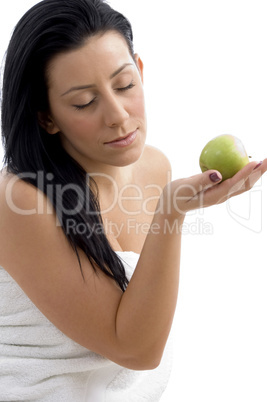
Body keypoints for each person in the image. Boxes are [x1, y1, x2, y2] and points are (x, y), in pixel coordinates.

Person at [0, 0, 266, 400]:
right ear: (46, 117)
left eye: (125, 85)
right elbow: (135, 349)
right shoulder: (19, 200)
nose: (119, 116)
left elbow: (141, 310)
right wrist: (171, 213)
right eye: (85, 102)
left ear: (140, 71)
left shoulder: (154, 166)